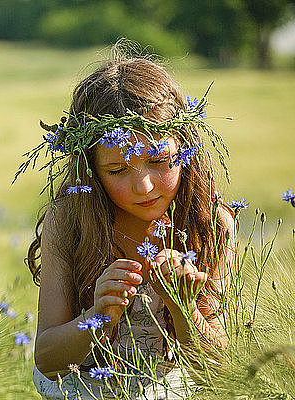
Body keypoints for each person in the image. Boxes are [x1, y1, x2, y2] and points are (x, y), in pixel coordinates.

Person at [21, 46, 234, 399]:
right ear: (91, 170)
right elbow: (46, 358)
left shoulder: (210, 223)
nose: (144, 186)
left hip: (167, 387)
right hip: (81, 385)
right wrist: (99, 316)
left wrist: (183, 308)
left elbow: (219, 366)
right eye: (118, 170)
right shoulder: (71, 221)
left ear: (184, 147)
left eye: (159, 160)